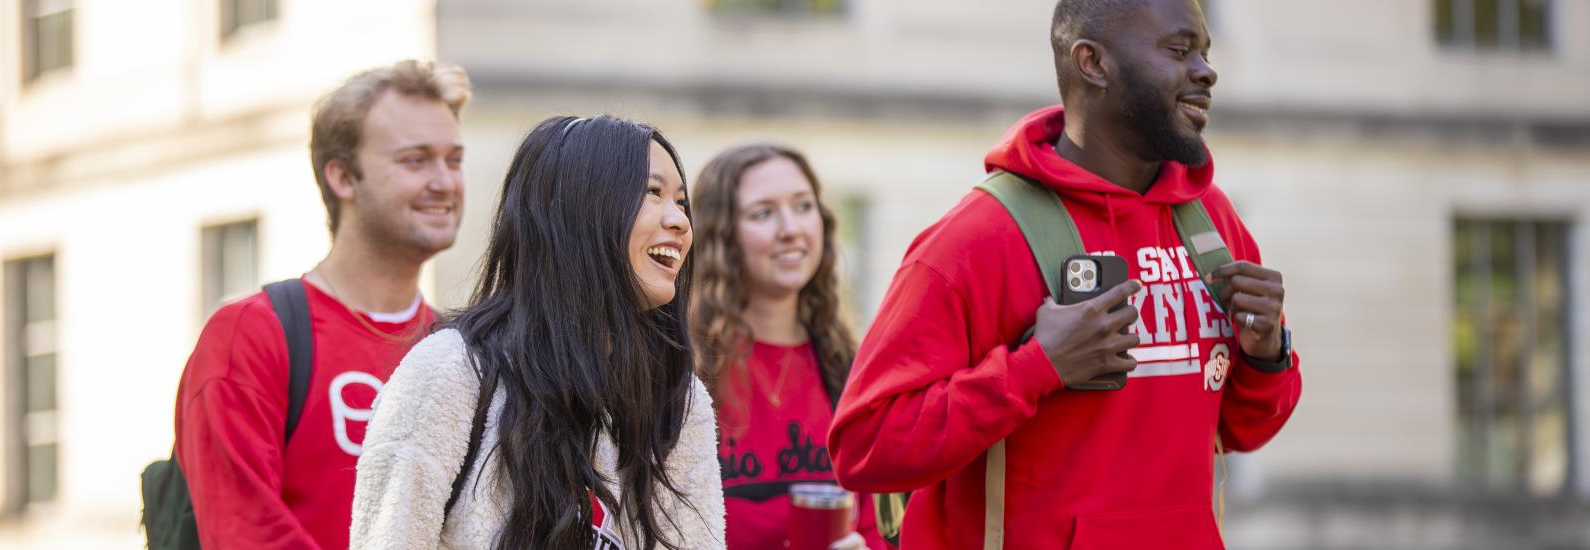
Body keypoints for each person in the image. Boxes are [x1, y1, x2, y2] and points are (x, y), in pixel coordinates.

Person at [826, 0, 1302, 548]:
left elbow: (1244, 430)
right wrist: (1036, 369)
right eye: (1178, 51)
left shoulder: (1210, 220)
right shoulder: (977, 238)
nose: (1205, 70)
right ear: (1092, 63)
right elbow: (865, 448)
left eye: (1204, 51)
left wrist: (1268, 355)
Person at [350, 115, 726, 549]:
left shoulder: (679, 400)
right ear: (577, 211)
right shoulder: (450, 374)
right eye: (652, 192)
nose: (679, 221)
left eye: (681, 202)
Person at [171, 60, 470, 550]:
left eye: (453, 159)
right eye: (415, 160)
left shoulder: (458, 351)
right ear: (343, 178)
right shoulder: (251, 334)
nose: (444, 182)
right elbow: (245, 534)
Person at [688, 143, 881, 550]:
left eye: (803, 206)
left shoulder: (851, 368)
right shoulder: (683, 370)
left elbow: (880, 523)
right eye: (763, 213)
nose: (791, 228)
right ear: (720, 235)